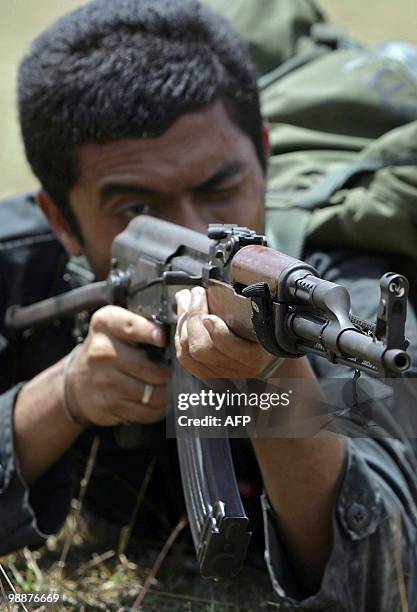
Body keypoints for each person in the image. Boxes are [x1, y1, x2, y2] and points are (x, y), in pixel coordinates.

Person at [0, 0, 416, 609]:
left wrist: (270, 383)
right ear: (60, 219)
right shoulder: (21, 265)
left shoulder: (335, 299)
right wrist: (64, 395)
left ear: (264, 158)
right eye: (137, 209)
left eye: (220, 188)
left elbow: (389, 579)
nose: (196, 233)